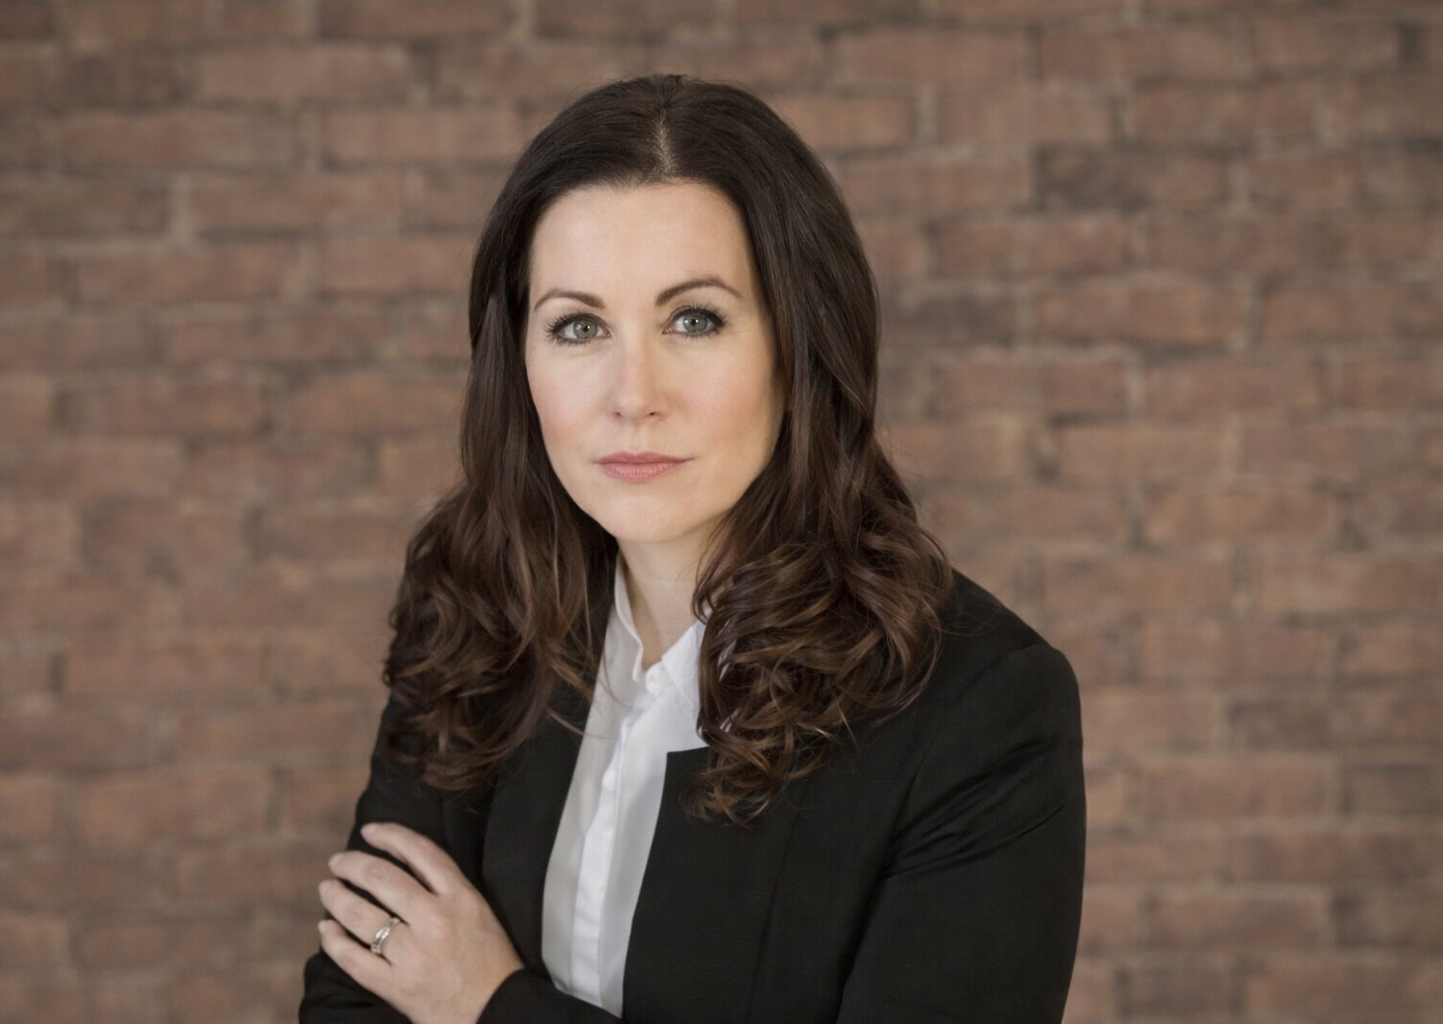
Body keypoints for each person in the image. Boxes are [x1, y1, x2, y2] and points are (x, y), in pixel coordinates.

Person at [300, 73, 1086, 1024]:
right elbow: (353, 1002)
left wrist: (487, 1005)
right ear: (521, 364)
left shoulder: (979, 712)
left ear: (798, 347)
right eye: (578, 326)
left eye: (694, 320)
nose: (633, 394)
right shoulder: (476, 608)